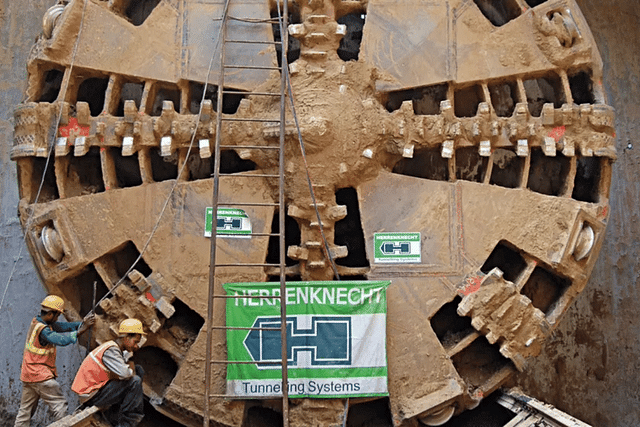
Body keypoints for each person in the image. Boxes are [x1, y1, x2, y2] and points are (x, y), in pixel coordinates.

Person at [14, 295, 96, 427]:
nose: (57, 318)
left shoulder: (38, 322)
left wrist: (82, 324)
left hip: (29, 375)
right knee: (59, 407)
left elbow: (63, 327)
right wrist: (81, 330)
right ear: (51, 314)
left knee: (25, 412)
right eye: (57, 315)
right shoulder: (44, 331)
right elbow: (60, 340)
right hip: (41, 376)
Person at [72, 318, 146, 427]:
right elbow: (125, 373)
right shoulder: (111, 350)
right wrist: (131, 369)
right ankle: (127, 424)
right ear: (126, 337)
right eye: (135, 342)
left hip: (97, 389)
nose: (136, 346)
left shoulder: (114, 348)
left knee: (138, 370)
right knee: (135, 381)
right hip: (91, 396)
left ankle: (116, 416)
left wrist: (131, 367)